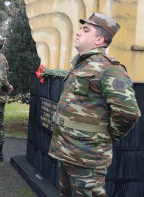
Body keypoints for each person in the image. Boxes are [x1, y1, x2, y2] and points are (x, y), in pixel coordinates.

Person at [48, 12, 141, 196]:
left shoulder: (110, 68)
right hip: (66, 151)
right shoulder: (81, 65)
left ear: (99, 40)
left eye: (85, 29)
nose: (78, 32)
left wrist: (106, 136)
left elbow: (129, 112)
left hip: (87, 155)